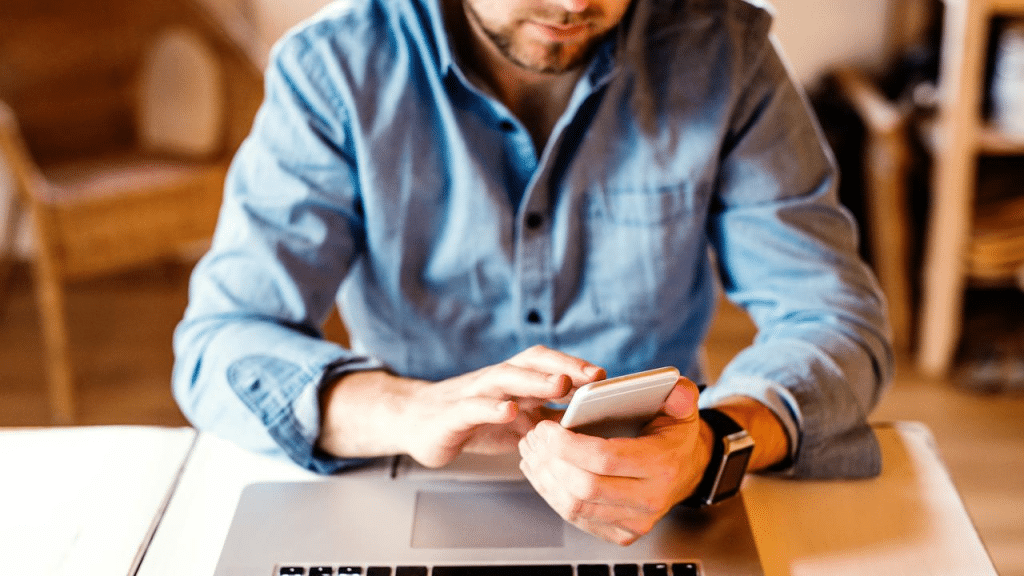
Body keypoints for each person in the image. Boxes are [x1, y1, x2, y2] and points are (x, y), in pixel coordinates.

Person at [173, 0, 893, 547]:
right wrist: (408, 409)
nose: (576, 3)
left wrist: (711, 444)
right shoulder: (335, 66)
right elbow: (220, 343)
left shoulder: (725, 53)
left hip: (663, 490)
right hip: (403, 476)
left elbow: (833, 316)